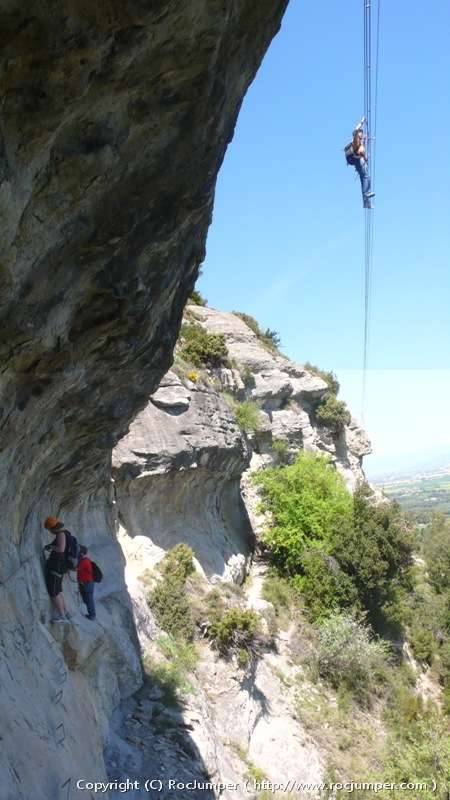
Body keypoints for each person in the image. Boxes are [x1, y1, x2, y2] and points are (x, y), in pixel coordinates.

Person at [43, 516, 71, 623]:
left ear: (52, 528)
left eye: (49, 529)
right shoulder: (63, 533)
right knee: (58, 590)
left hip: (57, 567)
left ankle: (62, 615)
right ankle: (66, 612)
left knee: (53, 592)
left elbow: (61, 549)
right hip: (60, 567)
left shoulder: (60, 534)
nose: (49, 531)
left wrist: (51, 547)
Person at [348, 120, 375, 209]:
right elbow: (356, 130)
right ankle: (366, 195)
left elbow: (362, 152)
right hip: (359, 162)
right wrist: (362, 122)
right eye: (361, 133)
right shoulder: (355, 141)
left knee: (366, 179)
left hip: (360, 162)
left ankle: (366, 202)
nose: (361, 134)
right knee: (366, 178)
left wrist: (365, 158)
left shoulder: (360, 142)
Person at [77, 546, 96, 620]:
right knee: (88, 599)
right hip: (87, 583)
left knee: (89, 599)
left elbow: (76, 568)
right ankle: (92, 614)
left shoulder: (84, 561)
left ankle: (92, 615)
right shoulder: (85, 560)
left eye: (78, 552)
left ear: (81, 553)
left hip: (87, 583)